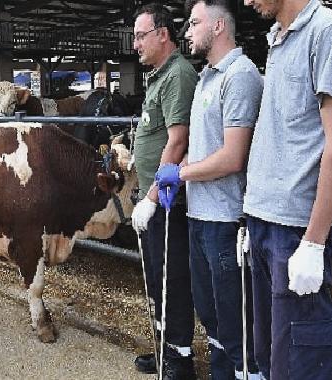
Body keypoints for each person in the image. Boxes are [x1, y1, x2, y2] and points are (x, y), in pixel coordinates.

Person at [156, 1, 263, 378]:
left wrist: (181, 176)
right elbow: (205, 150)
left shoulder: (240, 75)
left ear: (218, 26)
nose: (187, 30)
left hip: (225, 220)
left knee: (236, 328)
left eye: (195, 23)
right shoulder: (207, 77)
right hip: (200, 216)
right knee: (213, 321)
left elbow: (233, 157)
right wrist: (176, 169)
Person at [241, 0, 332, 378]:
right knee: (268, 356)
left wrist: (313, 242)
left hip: (295, 231)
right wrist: (254, 212)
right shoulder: (277, 38)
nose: (246, 1)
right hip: (264, 224)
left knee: (298, 365)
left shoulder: (323, 30)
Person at [129, 3, 198, 379]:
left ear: (162, 34)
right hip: (154, 198)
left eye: (141, 35)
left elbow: (177, 141)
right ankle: (162, 349)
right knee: (156, 275)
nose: (136, 44)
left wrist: (152, 197)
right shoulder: (158, 76)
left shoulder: (178, 75)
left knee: (171, 278)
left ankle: (179, 359)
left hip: (169, 201)